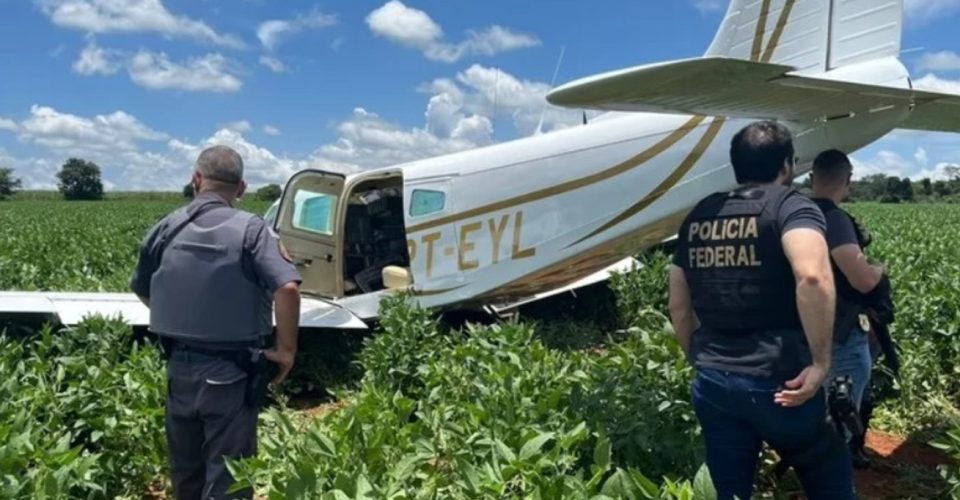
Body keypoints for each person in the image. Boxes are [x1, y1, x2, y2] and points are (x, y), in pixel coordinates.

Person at [667, 121, 855, 499]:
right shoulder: (791, 206)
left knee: (731, 491)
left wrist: (701, 359)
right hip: (782, 382)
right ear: (787, 165)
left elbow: (678, 305)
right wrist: (820, 364)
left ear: (736, 166)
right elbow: (813, 277)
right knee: (829, 478)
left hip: (715, 380)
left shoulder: (700, 215)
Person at [129, 145, 302, 499]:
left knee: (186, 473)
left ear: (196, 179)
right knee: (230, 479)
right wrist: (286, 351)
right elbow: (286, 288)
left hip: (179, 368)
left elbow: (143, 289)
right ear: (241, 188)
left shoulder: (167, 226)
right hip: (232, 372)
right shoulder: (253, 230)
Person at [810, 149, 893, 469]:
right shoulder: (834, 219)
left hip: (799, 331)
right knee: (839, 421)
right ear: (847, 181)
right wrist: (878, 271)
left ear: (812, 177)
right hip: (839, 335)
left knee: (813, 413)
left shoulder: (795, 213)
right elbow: (860, 279)